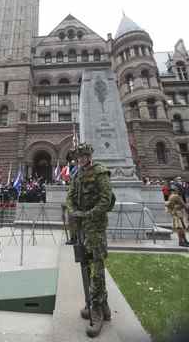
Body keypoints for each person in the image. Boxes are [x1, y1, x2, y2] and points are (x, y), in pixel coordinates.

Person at [67, 142, 112, 338]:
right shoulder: (76, 175)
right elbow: (69, 197)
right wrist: (73, 211)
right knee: (84, 264)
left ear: (89, 156)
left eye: (84, 155)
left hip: (95, 226)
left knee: (97, 266)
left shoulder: (100, 172)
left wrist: (90, 214)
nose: (81, 159)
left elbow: (106, 198)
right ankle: (102, 305)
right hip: (81, 226)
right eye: (79, 156)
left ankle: (97, 309)